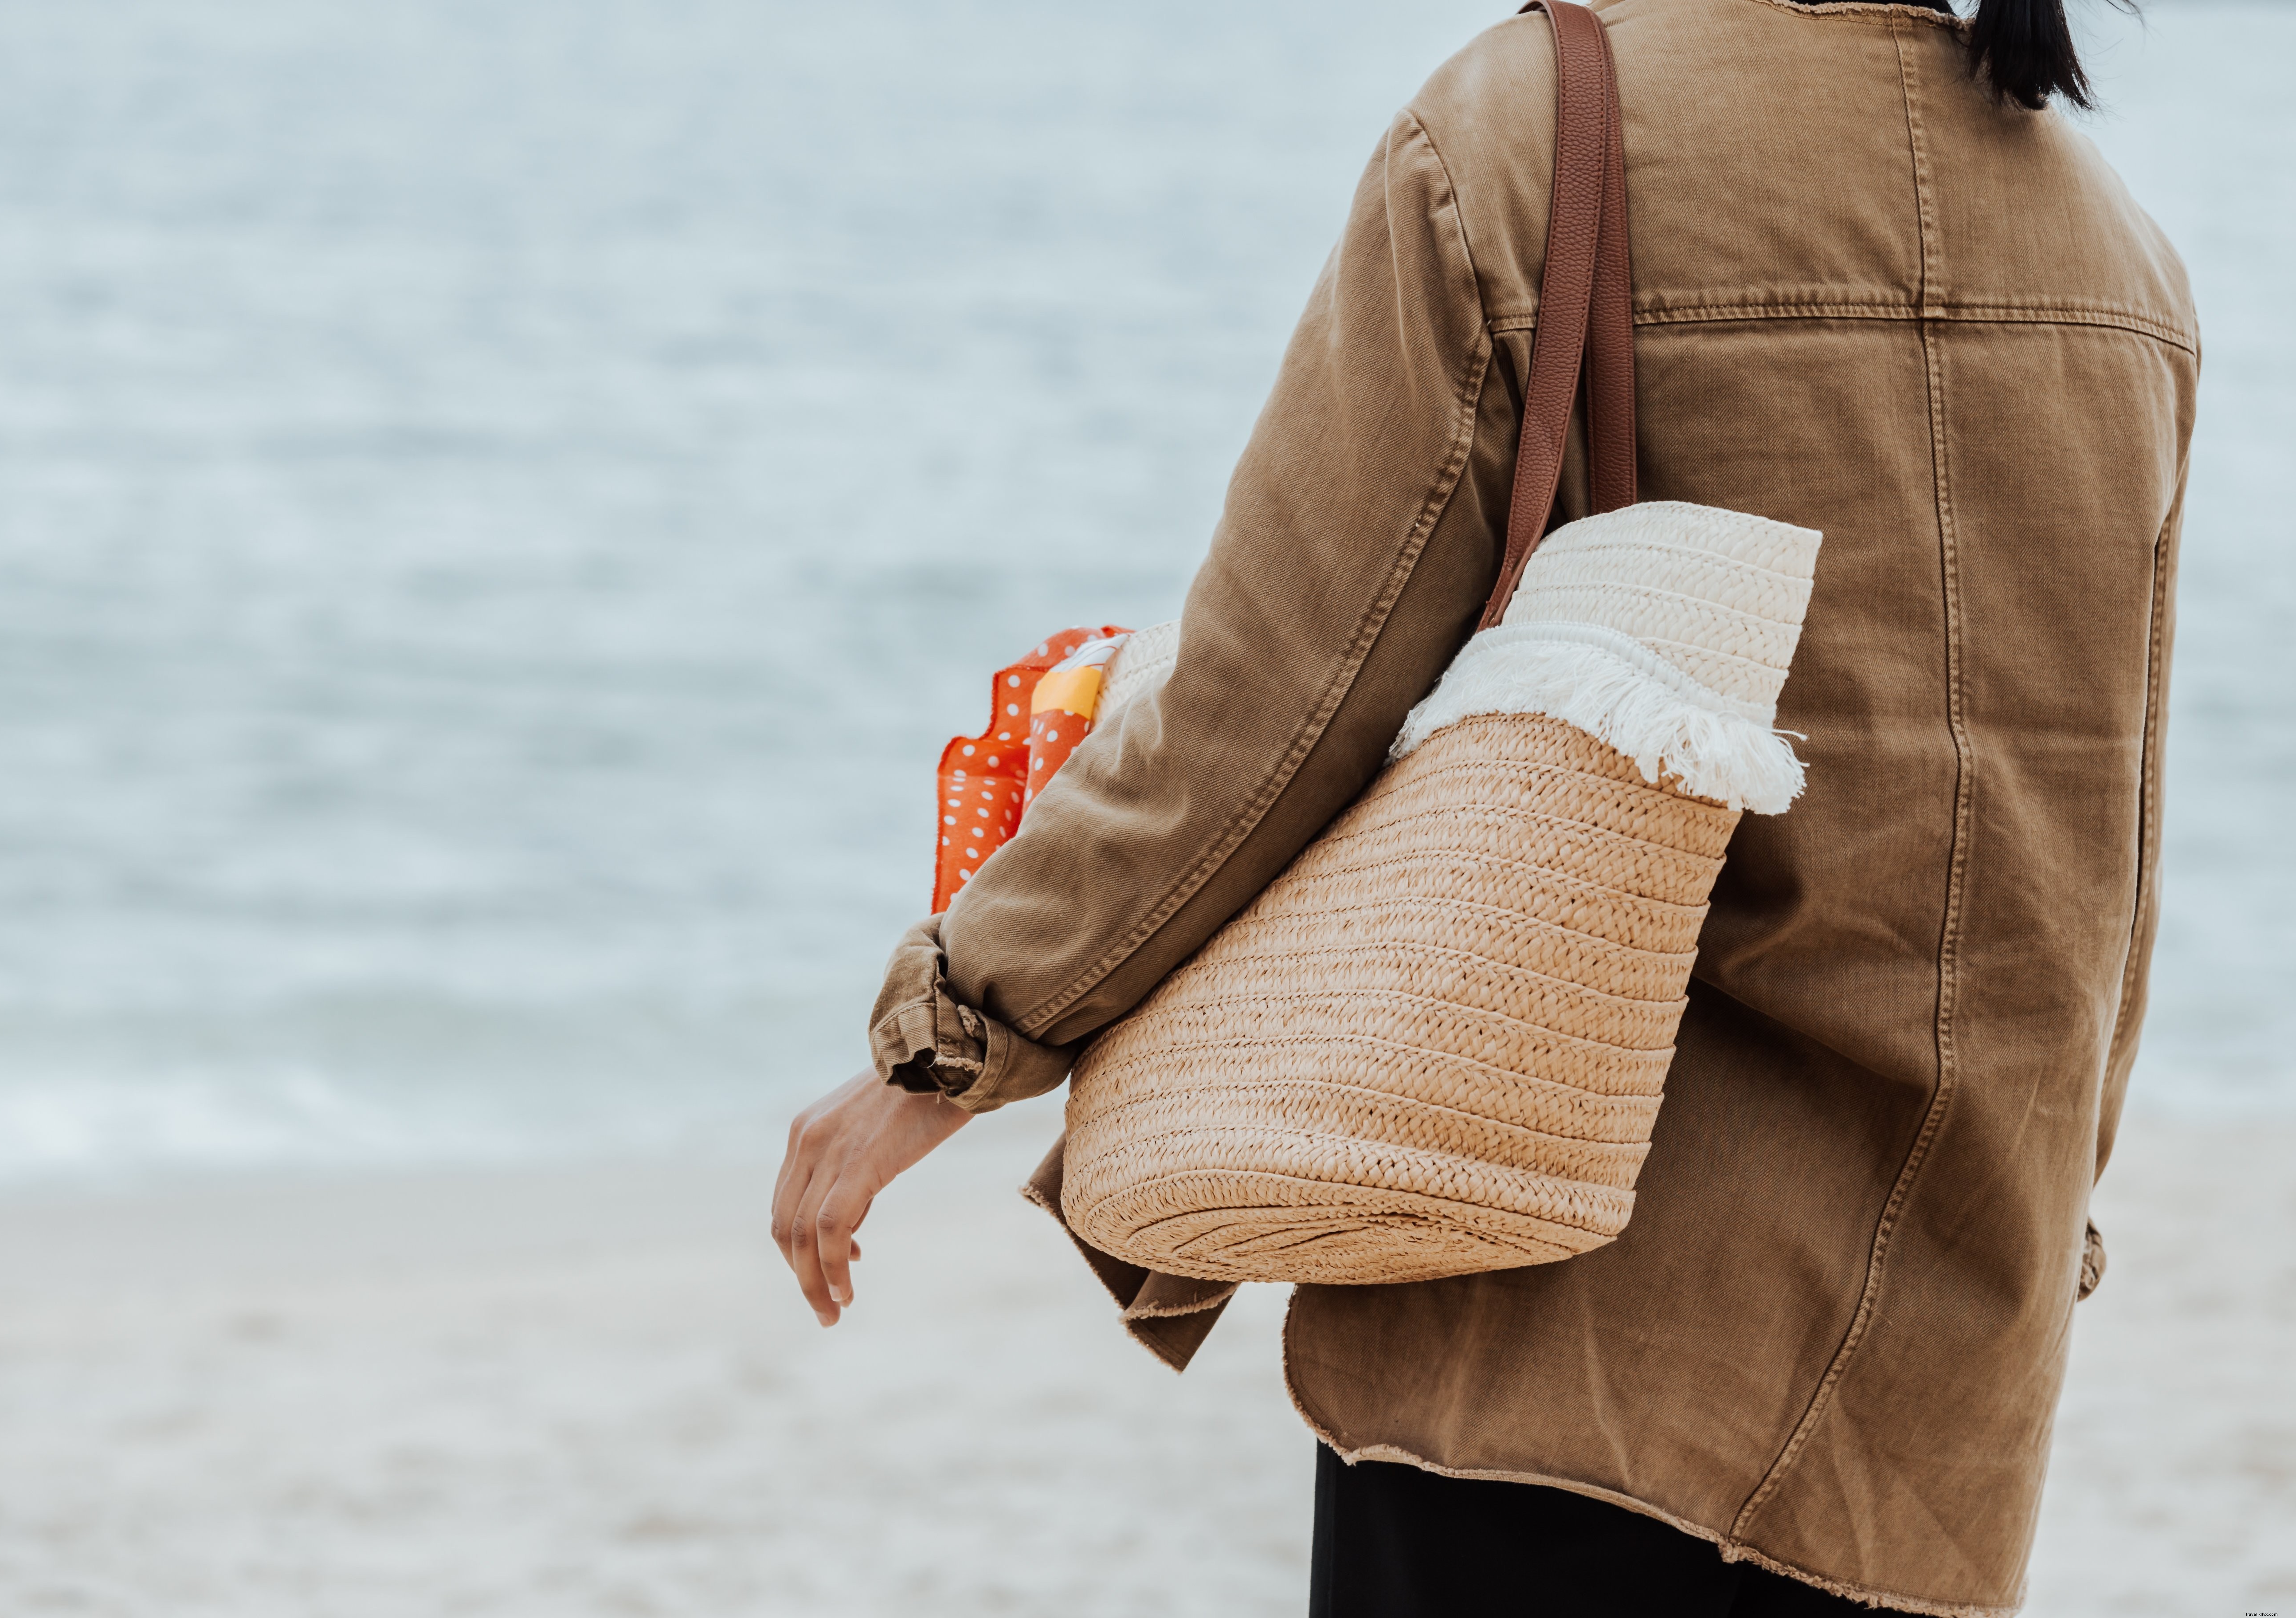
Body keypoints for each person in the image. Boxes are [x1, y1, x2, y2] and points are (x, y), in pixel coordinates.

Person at [771, 0, 2196, 1611]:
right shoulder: (2113, 253)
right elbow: (2100, 858)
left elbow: (1275, 702)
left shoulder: (1527, 135)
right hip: (1930, 1402)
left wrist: (954, 1034)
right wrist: (2028, 1239)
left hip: (1554, 1326)